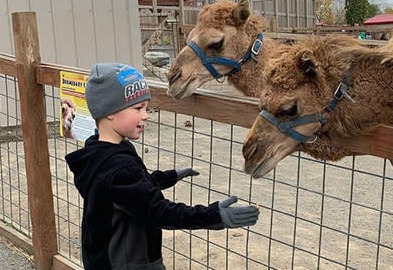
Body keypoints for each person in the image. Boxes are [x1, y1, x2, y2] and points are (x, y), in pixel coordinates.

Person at [65, 63, 259, 270]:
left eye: (146, 108)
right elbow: (159, 212)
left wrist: (169, 176)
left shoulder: (100, 151)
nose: (146, 115)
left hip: (106, 257)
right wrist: (215, 216)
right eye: (138, 108)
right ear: (110, 111)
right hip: (130, 263)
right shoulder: (118, 168)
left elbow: (134, 189)